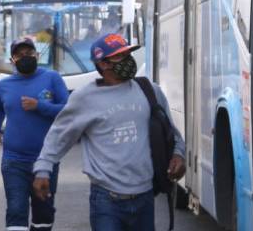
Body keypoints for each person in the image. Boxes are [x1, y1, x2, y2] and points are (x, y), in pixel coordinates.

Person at [33, 33, 184, 230]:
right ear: (103, 64)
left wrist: (178, 153)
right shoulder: (85, 98)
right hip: (107, 201)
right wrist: (43, 169)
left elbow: (171, 132)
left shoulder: (149, 90)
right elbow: (58, 136)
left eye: (129, 54)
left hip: (145, 197)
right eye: (121, 56)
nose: (129, 60)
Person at [0, 36, 69, 231]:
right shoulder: (4, 85)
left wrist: (39, 106)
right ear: (12, 60)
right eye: (20, 54)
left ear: (37, 55)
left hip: (46, 159)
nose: (25, 57)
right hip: (13, 160)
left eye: (29, 53)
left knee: (44, 212)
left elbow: (68, 110)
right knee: (16, 209)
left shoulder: (52, 78)